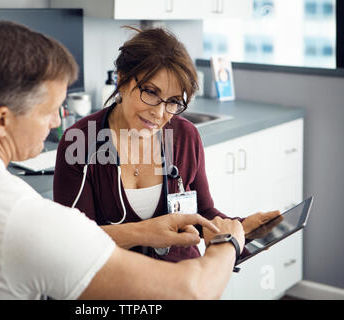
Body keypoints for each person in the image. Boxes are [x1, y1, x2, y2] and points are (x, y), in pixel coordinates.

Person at [0, 20, 252, 300]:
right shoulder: (29, 218)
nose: (57, 121)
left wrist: (237, 227)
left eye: (173, 102)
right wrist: (228, 245)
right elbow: (194, 291)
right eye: (50, 110)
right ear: (2, 120)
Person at [53, 26, 280, 262]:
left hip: (180, 277)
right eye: (150, 92)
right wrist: (145, 233)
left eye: (173, 101)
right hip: (115, 280)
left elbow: (202, 214)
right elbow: (74, 240)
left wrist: (242, 229)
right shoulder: (80, 142)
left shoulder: (185, 136)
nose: (159, 113)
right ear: (121, 80)